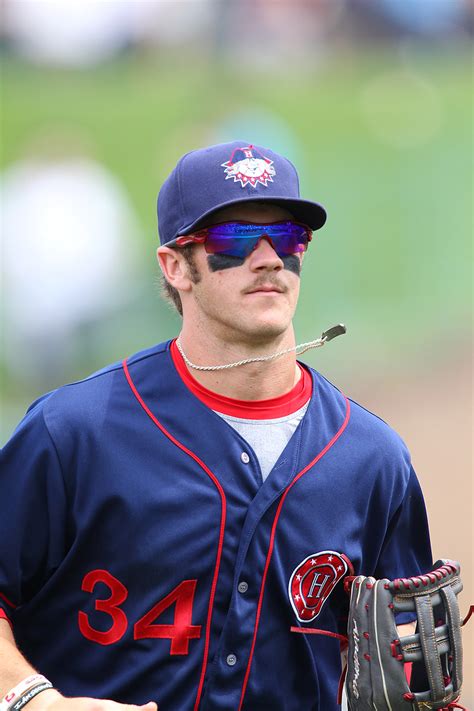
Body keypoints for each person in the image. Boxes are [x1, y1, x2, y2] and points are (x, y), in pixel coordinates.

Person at [1, 141, 432, 711]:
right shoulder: (73, 433)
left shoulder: (371, 458)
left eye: (287, 237)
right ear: (176, 266)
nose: (269, 258)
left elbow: (408, 658)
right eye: (235, 238)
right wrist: (33, 699)